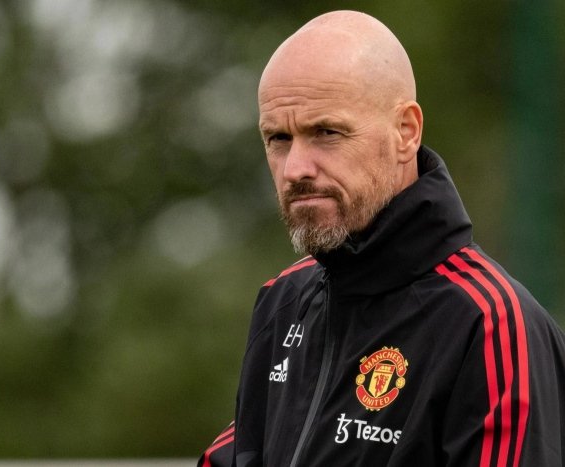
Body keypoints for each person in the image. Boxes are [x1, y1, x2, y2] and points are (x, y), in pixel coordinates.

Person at [198, 10, 565, 467]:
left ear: (406, 132)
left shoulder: (491, 327)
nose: (295, 169)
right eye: (278, 138)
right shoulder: (284, 299)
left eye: (326, 132)